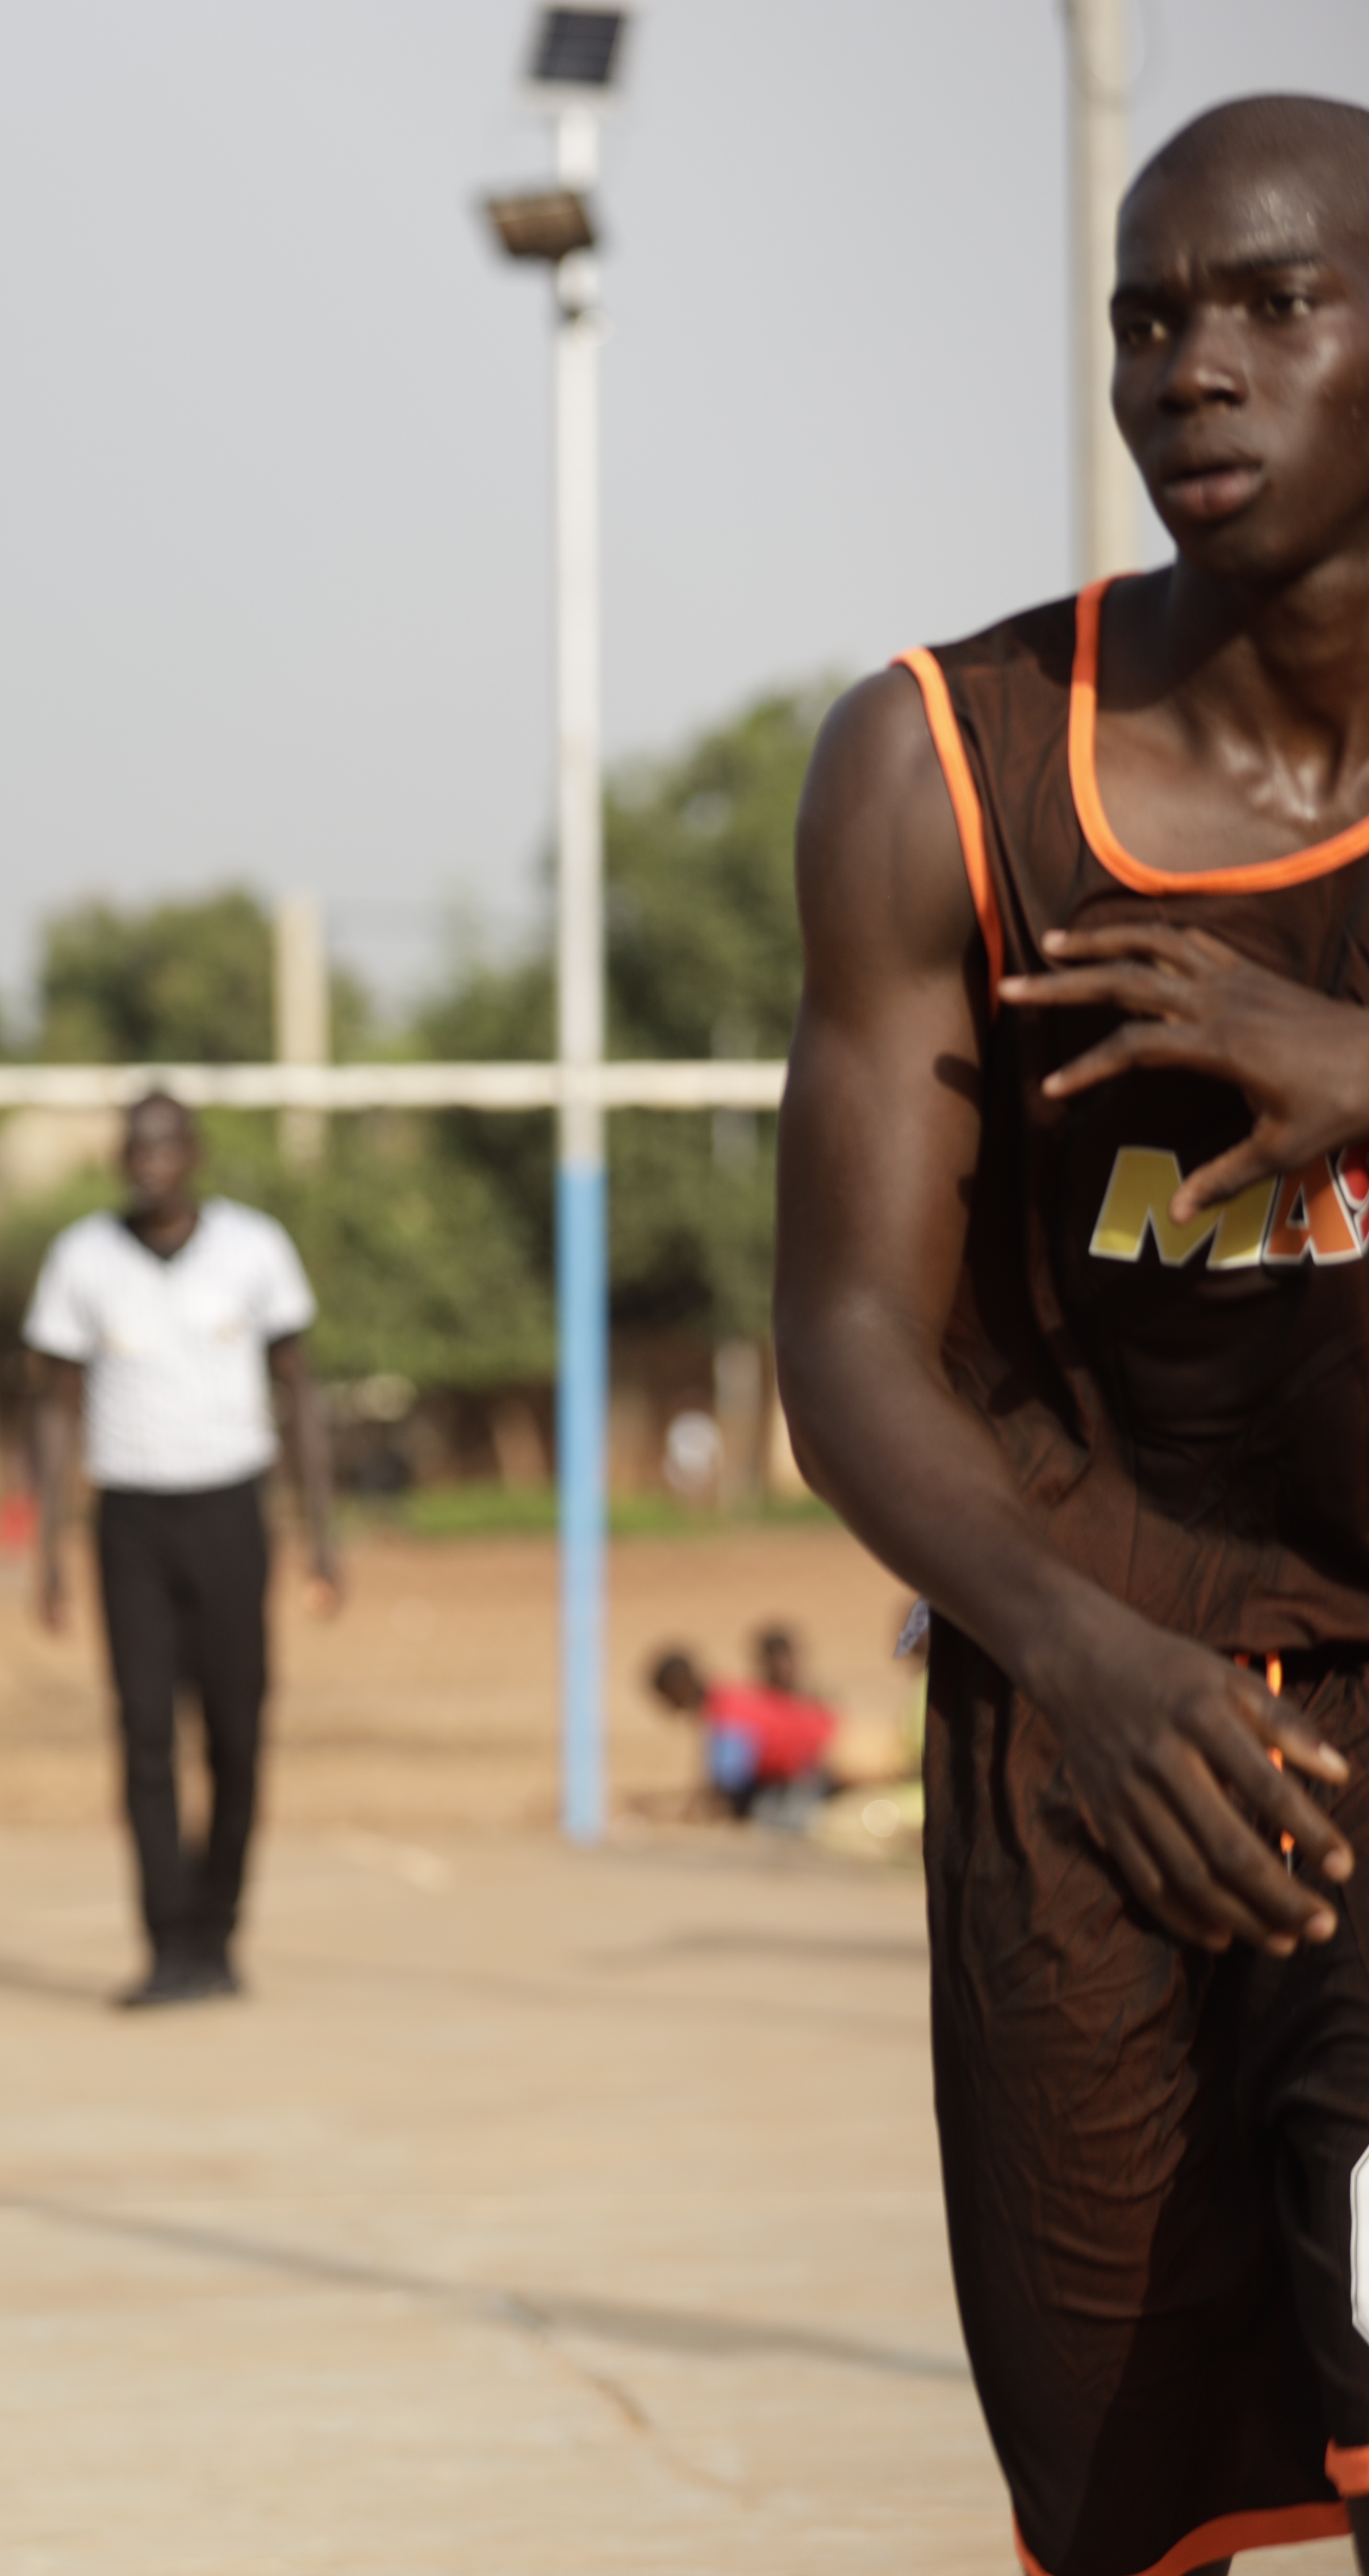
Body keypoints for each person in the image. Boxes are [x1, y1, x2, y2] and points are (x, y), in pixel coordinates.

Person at [773, 95, 1369, 2576]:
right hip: (1078, 1713)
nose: (1189, 369)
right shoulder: (932, 763)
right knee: (1119, 2496)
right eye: (1145, 317)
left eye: (1266, 304)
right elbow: (836, 1330)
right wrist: (1070, 1651)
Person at [20, 1092, 341, 2009]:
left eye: (165, 1144)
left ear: (194, 1152)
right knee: (146, 1734)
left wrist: (322, 1533)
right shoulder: (82, 1258)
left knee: (237, 1732)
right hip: (131, 1522)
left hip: (233, 1509)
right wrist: (48, 1550)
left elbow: (301, 1395)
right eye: (136, 1145)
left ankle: (219, 1934)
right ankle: (166, 1944)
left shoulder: (256, 1249)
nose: (150, 1160)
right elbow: (55, 1408)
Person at [644, 1642, 836, 1824]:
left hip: (818, 1761)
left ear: (677, 1688)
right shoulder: (725, 1693)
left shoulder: (724, 1714)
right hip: (813, 1756)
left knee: (771, 1818)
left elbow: (729, 1782)